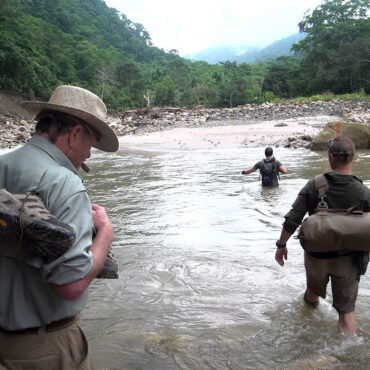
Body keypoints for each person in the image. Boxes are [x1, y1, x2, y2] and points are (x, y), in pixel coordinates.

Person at [0, 85, 119, 369]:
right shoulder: (65, 183)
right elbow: (71, 285)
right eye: (91, 143)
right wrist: (104, 234)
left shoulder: (2, 164)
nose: (89, 155)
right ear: (75, 134)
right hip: (44, 347)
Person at [275, 136, 370, 335]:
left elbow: (293, 218)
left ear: (331, 158)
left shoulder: (315, 184)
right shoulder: (362, 191)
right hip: (347, 259)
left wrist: (281, 245)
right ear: (352, 158)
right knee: (346, 311)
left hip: (316, 257)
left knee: (312, 292)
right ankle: (347, 352)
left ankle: (308, 329)